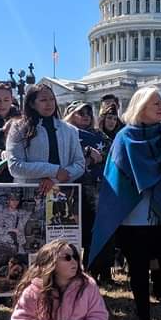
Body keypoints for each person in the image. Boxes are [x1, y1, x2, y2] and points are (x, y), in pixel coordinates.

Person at [91, 86, 161, 320]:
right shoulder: (124, 137)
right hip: (132, 217)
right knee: (138, 270)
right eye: (155, 103)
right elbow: (116, 176)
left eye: (160, 103)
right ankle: (143, 318)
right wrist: (146, 179)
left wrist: (157, 182)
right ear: (141, 107)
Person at [7, 84, 85, 199]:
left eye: (52, 99)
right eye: (43, 100)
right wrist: (53, 171)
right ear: (32, 104)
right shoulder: (19, 128)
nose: (49, 103)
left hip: (61, 193)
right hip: (29, 195)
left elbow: (79, 164)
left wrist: (55, 179)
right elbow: (15, 166)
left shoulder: (70, 130)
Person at [63, 101, 108, 274]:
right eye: (81, 113)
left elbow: (110, 150)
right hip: (71, 187)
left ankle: (93, 269)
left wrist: (99, 155)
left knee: (93, 230)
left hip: (95, 187)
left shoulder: (98, 134)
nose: (86, 116)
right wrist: (86, 151)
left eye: (89, 113)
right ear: (70, 114)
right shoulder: (65, 133)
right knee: (73, 231)